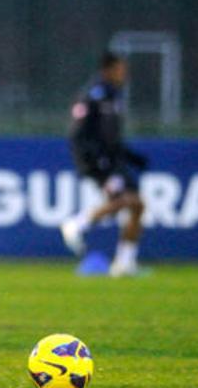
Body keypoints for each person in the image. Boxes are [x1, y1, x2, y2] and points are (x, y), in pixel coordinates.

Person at [60, 52, 147, 277]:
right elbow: (82, 133)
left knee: (136, 205)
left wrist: (129, 156)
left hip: (111, 159)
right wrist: (94, 160)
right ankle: (76, 224)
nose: (124, 74)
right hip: (101, 161)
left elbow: (111, 136)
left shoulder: (110, 93)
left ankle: (125, 263)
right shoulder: (97, 94)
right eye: (120, 69)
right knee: (125, 201)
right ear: (108, 70)